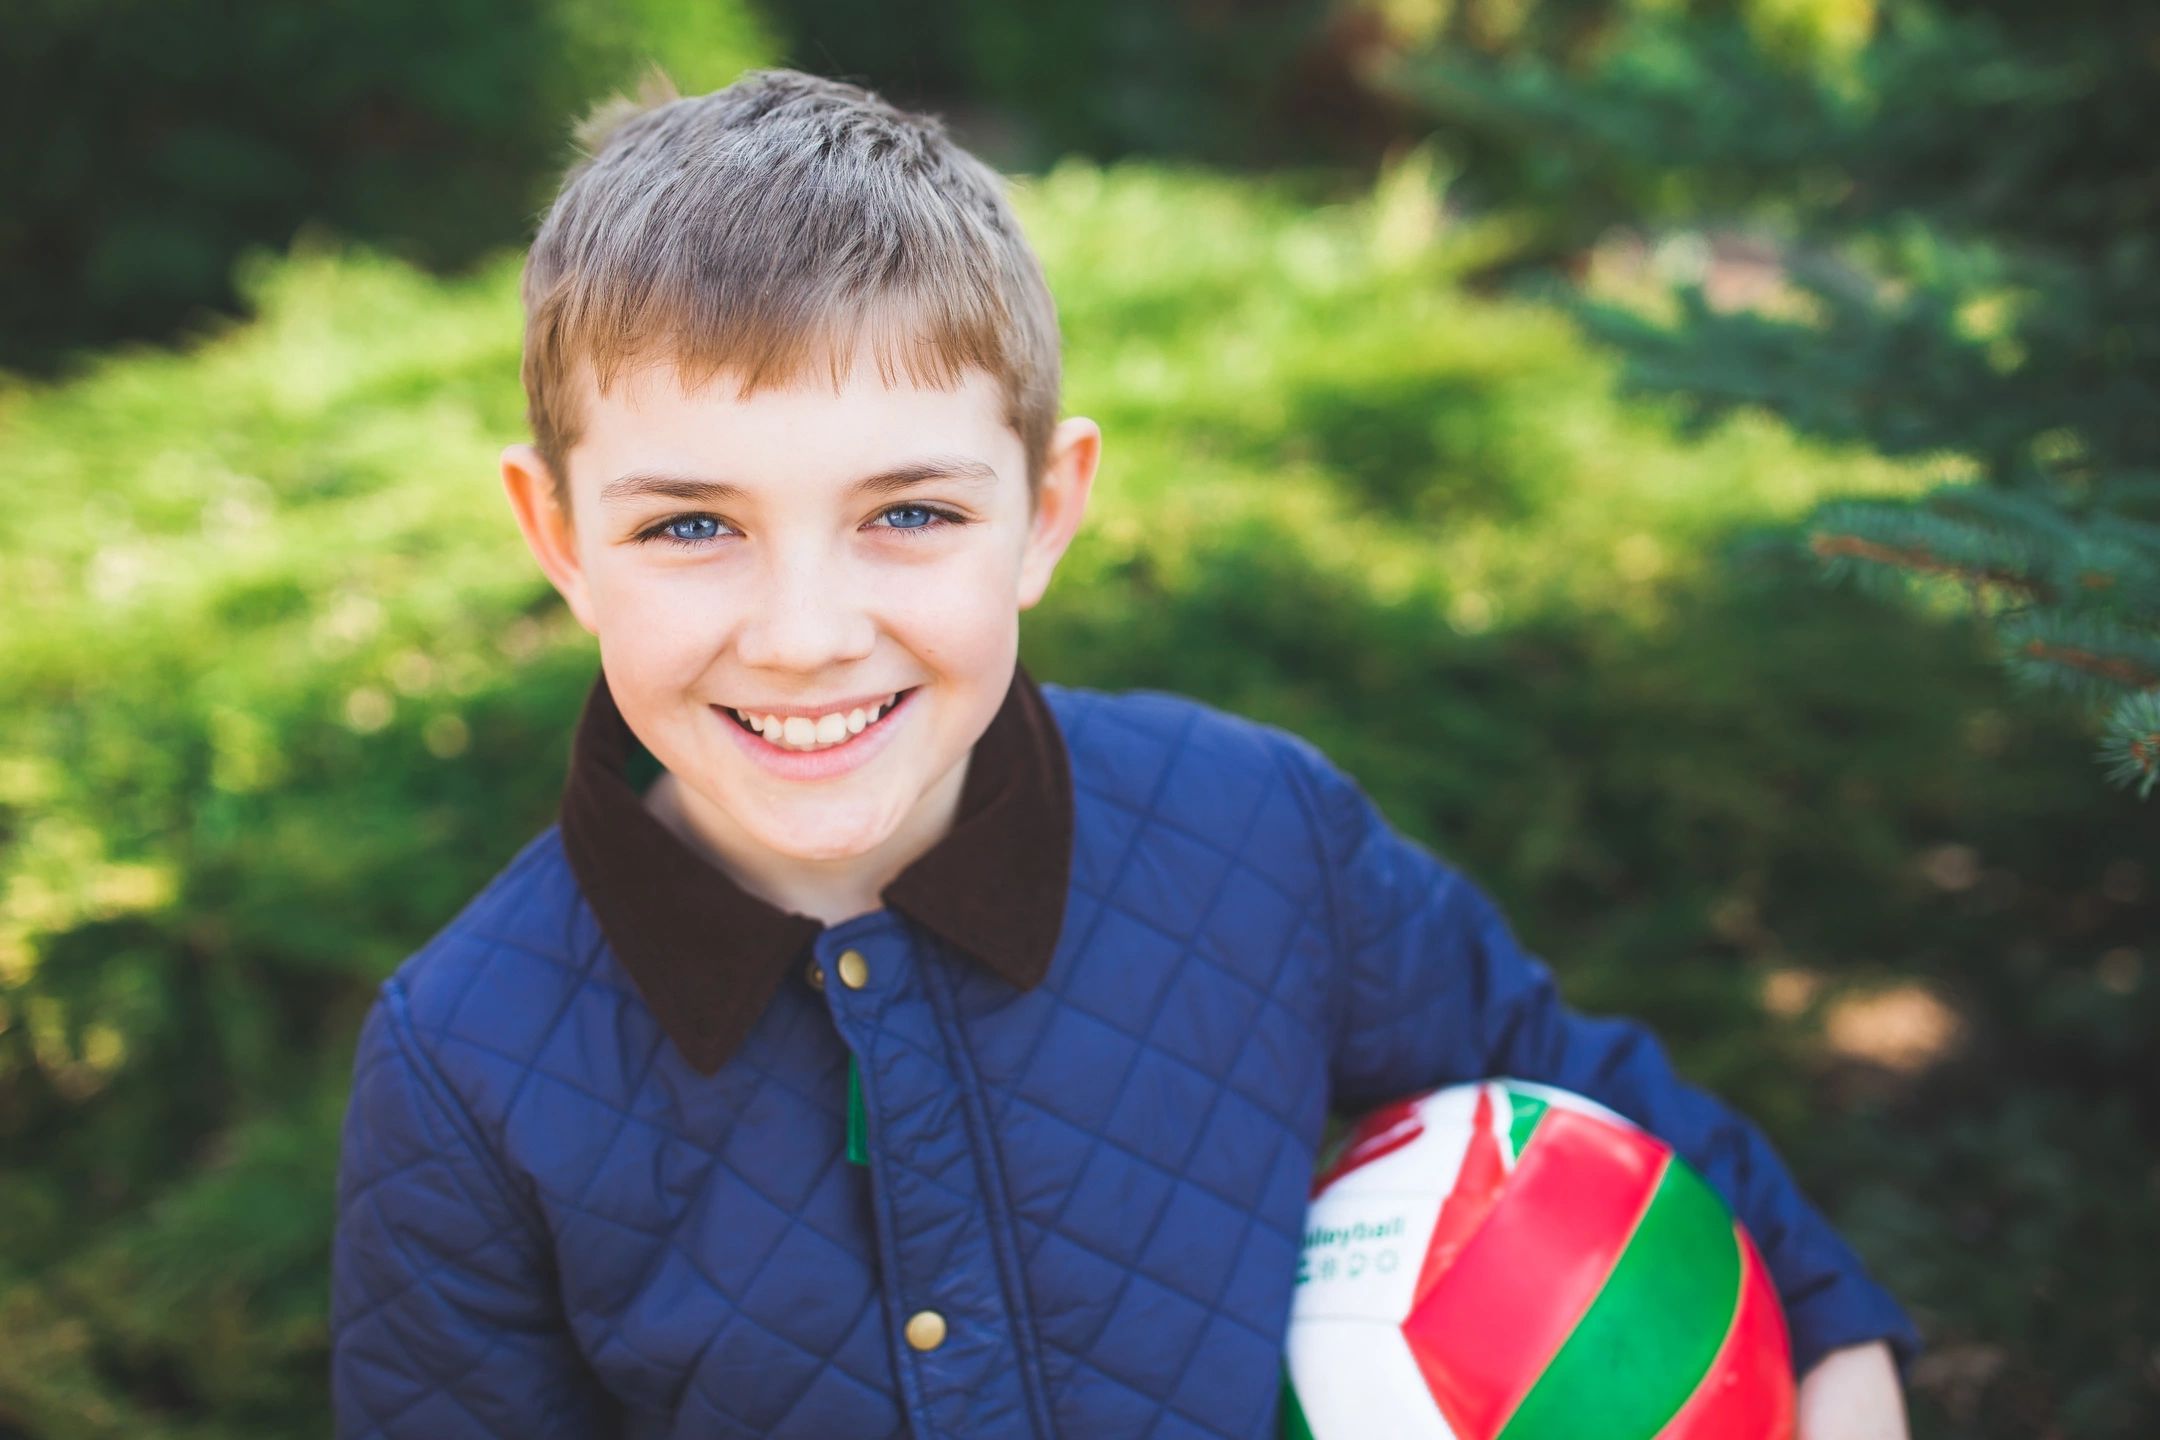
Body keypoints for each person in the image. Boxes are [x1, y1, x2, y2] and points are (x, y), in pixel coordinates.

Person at [328, 67, 1919, 1439]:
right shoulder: (468, 1064)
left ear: (1048, 511)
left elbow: (1666, 1160)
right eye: (692, 524)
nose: (805, 631)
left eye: (910, 514)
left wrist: (1837, 1366)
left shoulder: (1259, 837)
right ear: (558, 536)